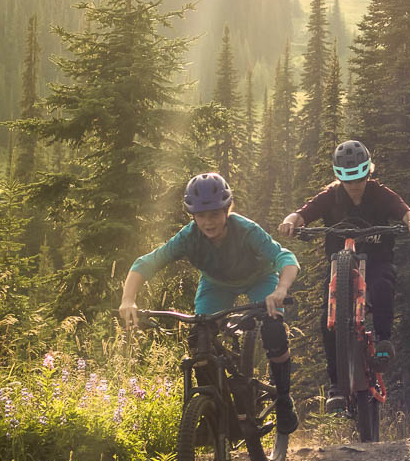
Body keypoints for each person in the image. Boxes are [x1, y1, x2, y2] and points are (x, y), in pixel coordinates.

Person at [120, 172, 302, 433]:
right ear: (192, 215)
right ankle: (217, 412)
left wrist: (281, 289)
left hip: (259, 279)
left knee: (273, 327)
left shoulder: (247, 230)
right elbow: (145, 264)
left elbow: (286, 258)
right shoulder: (187, 237)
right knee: (200, 342)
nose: (208, 222)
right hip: (216, 284)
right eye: (201, 215)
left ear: (228, 210)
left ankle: (284, 399)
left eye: (215, 214)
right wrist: (128, 300)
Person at [279, 140, 410, 401]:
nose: (355, 186)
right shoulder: (329, 196)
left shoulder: (380, 193)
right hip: (339, 265)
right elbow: (303, 213)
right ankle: (336, 384)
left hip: (377, 262)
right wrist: (291, 221)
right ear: (339, 178)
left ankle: (382, 340)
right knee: (328, 318)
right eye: (348, 181)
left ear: (369, 172)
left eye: (360, 178)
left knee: (382, 287)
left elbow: (404, 210)